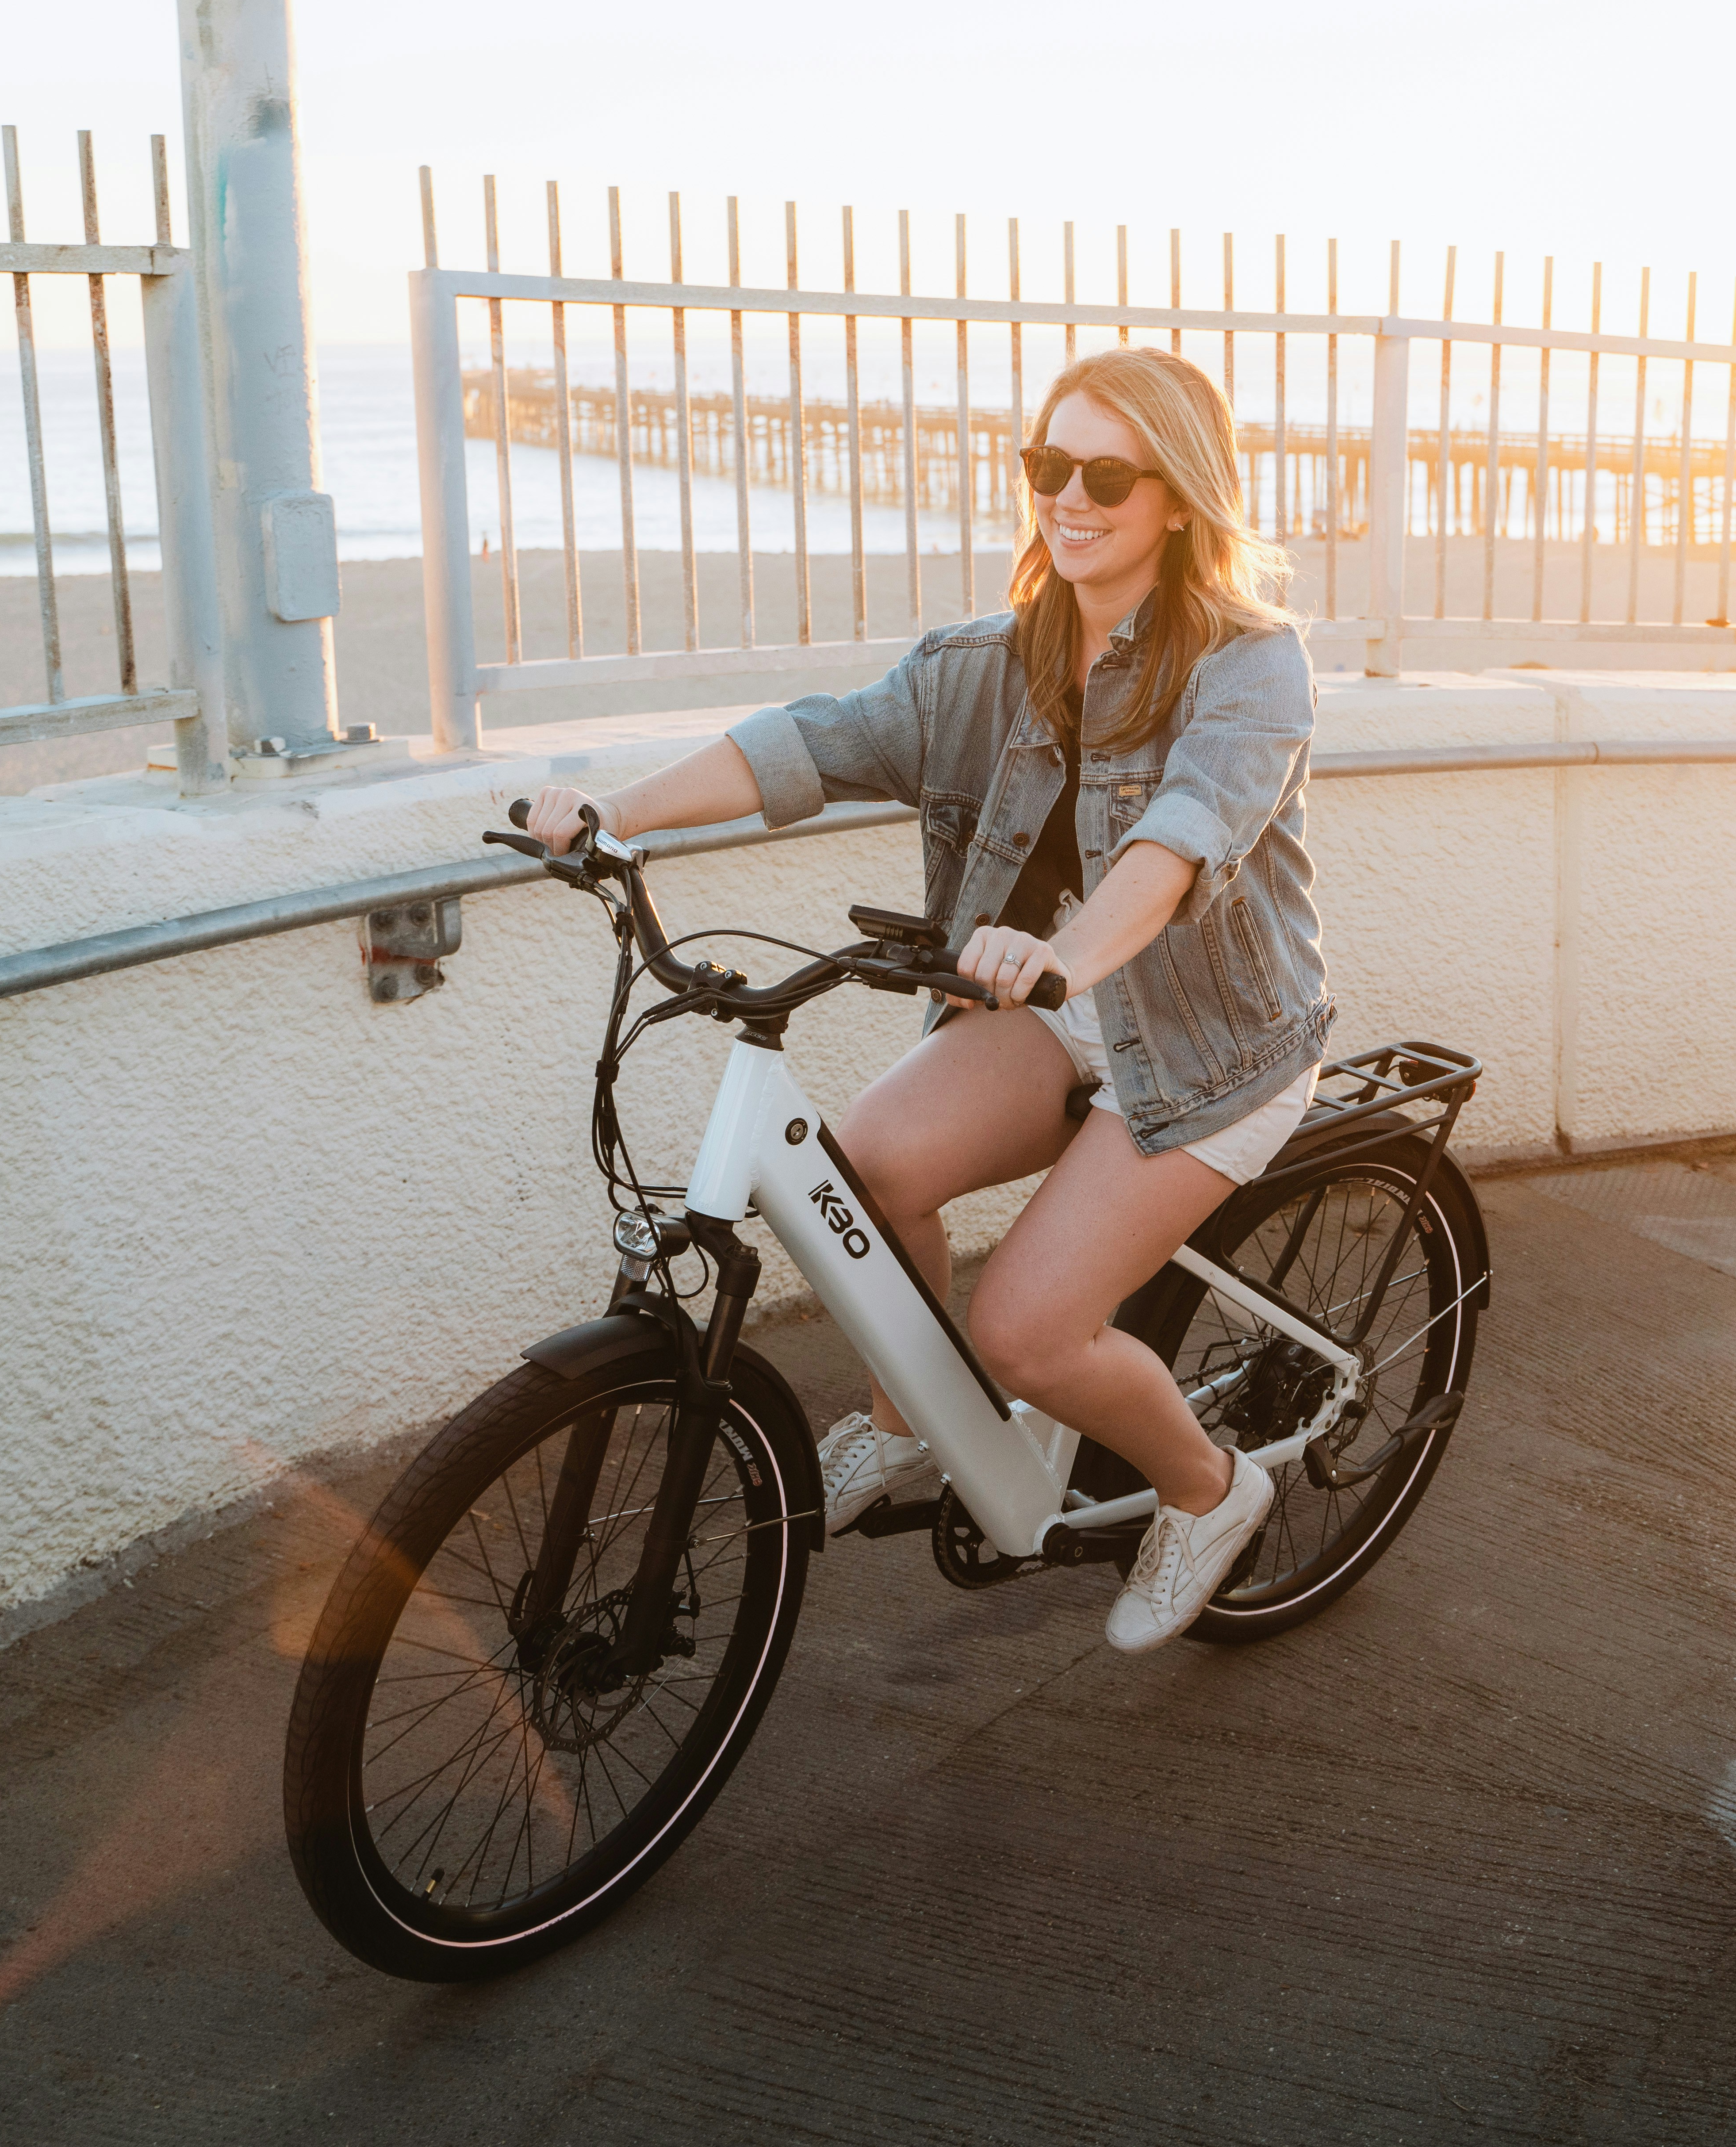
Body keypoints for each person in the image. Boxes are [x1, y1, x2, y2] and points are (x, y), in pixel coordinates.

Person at [509, 346, 1331, 1652]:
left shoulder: (1249, 667)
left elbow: (1179, 845)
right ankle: (906, 1429)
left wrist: (1068, 956)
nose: (1068, 496)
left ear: (1178, 496)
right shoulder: (988, 666)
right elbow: (811, 743)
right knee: (865, 1171)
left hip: (1206, 1041)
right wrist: (616, 814)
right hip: (1054, 1007)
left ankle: (1211, 1491)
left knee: (1028, 1334)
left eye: (1105, 475)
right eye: (1046, 465)